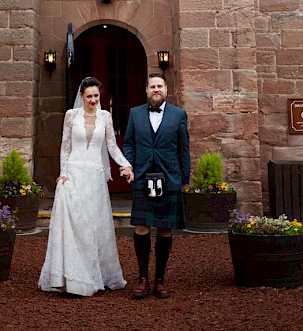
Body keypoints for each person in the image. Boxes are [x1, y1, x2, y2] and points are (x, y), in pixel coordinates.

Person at [38, 76, 134, 297]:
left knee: (95, 225)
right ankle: (71, 277)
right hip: (74, 174)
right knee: (76, 224)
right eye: (89, 96)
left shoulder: (105, 117)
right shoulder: (71, 116)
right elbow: (65, 147)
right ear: (81, 97)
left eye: (96, 96)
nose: (93, 100)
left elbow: (112, 146)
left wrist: (126, 166)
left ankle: (95, 273)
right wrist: (63, 174)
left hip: (95, 176)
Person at [123, 72, 190, 300]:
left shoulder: (179, 115)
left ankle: (160, 279)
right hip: (142, 177)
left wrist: (184, 179)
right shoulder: (135, 113)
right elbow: (129, 143)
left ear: (166, 89)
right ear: (146, 89)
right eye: (152, 86)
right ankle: (143, 278)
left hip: (169, 178)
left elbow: (183, 149)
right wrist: (128, 166)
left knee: (164, 229)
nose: (156, 89)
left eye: (159, 86)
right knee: (141, 227)